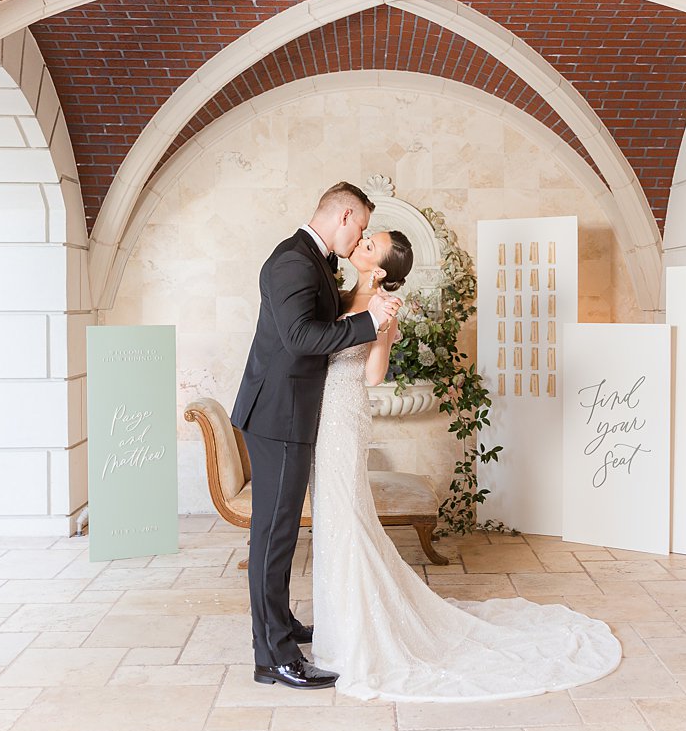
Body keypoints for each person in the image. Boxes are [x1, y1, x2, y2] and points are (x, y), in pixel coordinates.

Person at [310, 228, 622, 701]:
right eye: (365, 239)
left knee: (348, 516)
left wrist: (378, 326)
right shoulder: (340, 292)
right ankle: (338, 627)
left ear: (379, 269)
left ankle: (359, 636)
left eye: (369, 246)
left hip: (345, 414)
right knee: (334, 517)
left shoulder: (384, 307)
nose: (359, 245)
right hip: (321, 411)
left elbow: (373, 374)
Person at [231, 181, 400, 689]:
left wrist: (366, 297)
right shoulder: (293, 261)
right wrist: (369, 322)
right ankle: (274, 657)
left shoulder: (311, 259)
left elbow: (323, 317)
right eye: (363, 227)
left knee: (279, 532)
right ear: (346, 215)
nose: (361, 237)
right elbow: (302, 338)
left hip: (293, 412)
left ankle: (279, 627)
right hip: (278, 416)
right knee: (274, 535)